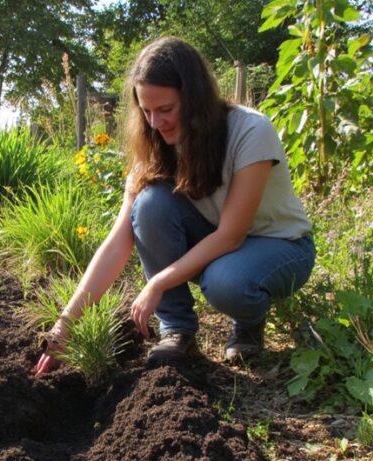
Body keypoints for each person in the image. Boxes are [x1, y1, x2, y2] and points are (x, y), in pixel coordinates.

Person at [35, 37, 315, 375]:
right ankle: (177, 329)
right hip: (220, 242)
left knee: (225, 282)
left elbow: (231, 236)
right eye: (146, 111)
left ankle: (249, 320)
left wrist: (156, 283)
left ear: (195, 99)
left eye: (166, 109)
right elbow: (117, 243)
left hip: (280, 246)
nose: (155, 122)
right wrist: (64, 326)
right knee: (150, 204)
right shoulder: (154, 147)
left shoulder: (251, 131)